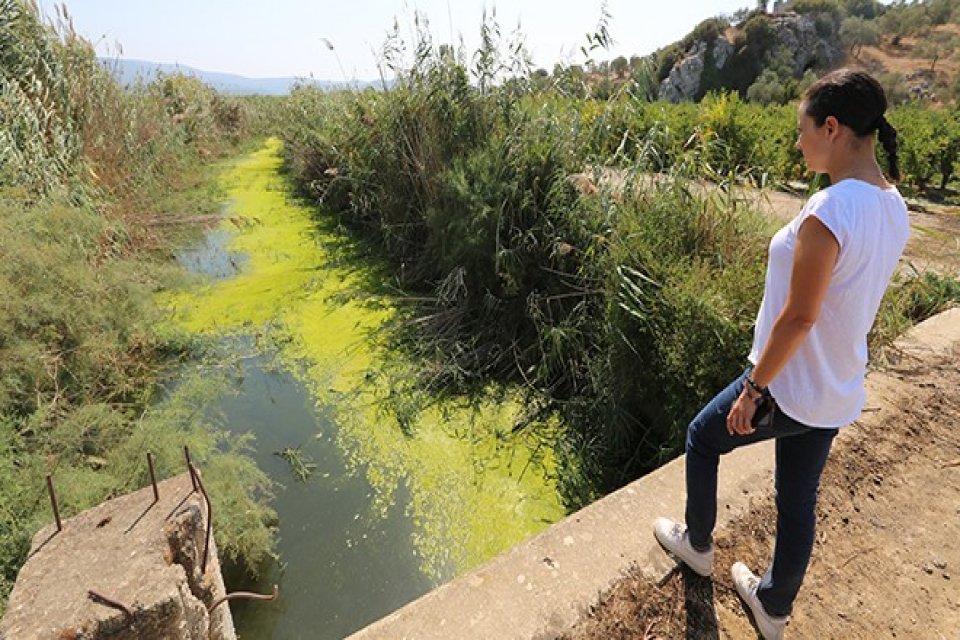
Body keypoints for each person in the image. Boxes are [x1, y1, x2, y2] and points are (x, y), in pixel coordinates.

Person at [653, 68, 910, 640]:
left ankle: (697, 545)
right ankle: (773, 606)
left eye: (803, 130)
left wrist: (754, 389)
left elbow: (800, 317)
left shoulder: (830, 209)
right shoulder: (893, 205)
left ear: (832, 128)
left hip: (789, 385)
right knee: (797, 501)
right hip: (836, 387)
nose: (798, 143)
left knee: (702, 438)